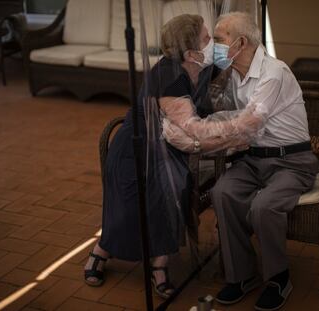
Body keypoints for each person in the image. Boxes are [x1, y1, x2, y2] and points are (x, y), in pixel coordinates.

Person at [84, 14, 248, 299]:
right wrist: (236, 131)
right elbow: (190, 129)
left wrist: (238, 50)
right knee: (151, 194)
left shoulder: (196, 67)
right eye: (207, 39)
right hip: (138, 149)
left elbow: (223, 62)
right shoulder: (169, 75)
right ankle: (101, 250)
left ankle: (159, 264)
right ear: (189, 51)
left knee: (173, 189)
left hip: (169, 147)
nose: (212, 43)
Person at [202, 12, 319, 311]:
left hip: (292, 161)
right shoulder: (232, 74)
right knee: (222, 193)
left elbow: (250, 122)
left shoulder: (273, 71)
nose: (214, 46)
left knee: (264, 206)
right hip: (254, 160)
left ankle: (279, 278)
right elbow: (223, 114)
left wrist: (202, 138)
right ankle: (242, 276)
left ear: (240, 43)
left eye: (219, 39)